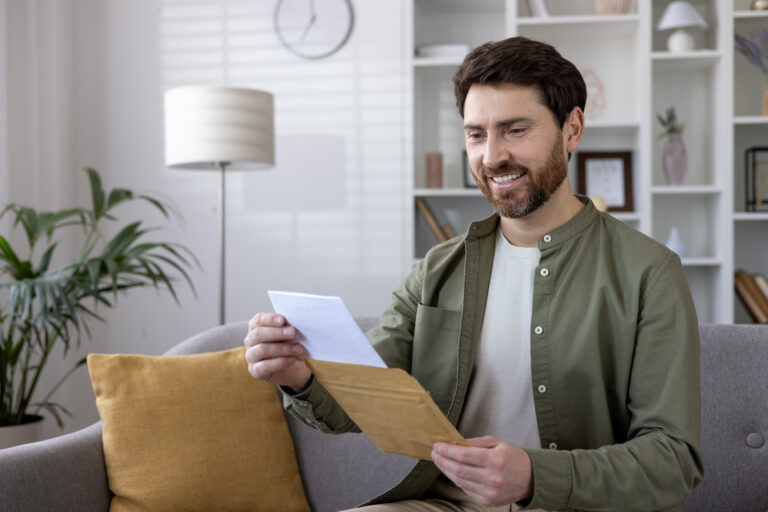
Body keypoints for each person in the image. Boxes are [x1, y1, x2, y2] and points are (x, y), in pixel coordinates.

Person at [244, 36, 703, 512]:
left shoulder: (649, 272)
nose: (491, 157)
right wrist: (300, 376)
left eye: (515, 130)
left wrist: (533, 475)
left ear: (572, 129)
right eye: (476, 134)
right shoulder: (437, 269)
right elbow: (364, 394)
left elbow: (672, 459)